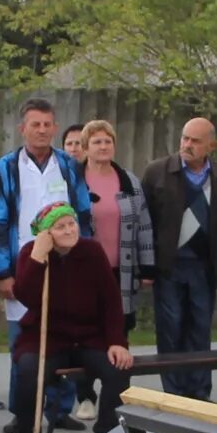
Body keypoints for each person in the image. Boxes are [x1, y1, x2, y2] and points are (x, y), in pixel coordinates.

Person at [5, 204, 131, 433]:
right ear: (46, 233)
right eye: (60, 227)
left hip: (88, 336)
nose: (69, 230)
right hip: (48, 336)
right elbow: (26, 296)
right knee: (28, 369)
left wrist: (117, 341)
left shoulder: (92, 251)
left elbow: (111, 301)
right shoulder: (33, 253)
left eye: (71, 223)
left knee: (117, 368)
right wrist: (39, 257)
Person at [141, 116, 217, 398]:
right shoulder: (157, 172)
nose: (187, 145)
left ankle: (200, 395)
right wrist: (146, 267)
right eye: (185, 138)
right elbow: (143, 222)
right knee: (170, 332)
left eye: (195, 141)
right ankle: (174, 395)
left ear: (211, 145)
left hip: (204, 269)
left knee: (200, 331)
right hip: (168, 268)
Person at [0, 98, 92, 327]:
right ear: (22, 129)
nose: (42, 130)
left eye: (47, 124)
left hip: (67, 267)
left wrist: (84, 262)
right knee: (23, 345)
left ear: (55, 128)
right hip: (23, 265)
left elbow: (83, 215)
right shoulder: (8, 167)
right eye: (35, 124)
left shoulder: (68, 166)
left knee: (65, 336)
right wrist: (3, 273)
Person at [74, 119, 157, 328]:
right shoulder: (73, 182)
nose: (103, 146)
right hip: (84, 269)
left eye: (108, 141)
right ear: (85, 148)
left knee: (119, 328)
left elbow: (144, 226)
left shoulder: (129, 181)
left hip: (122, 269)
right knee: (87, 326)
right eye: (97, 142)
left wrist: (147, 268)